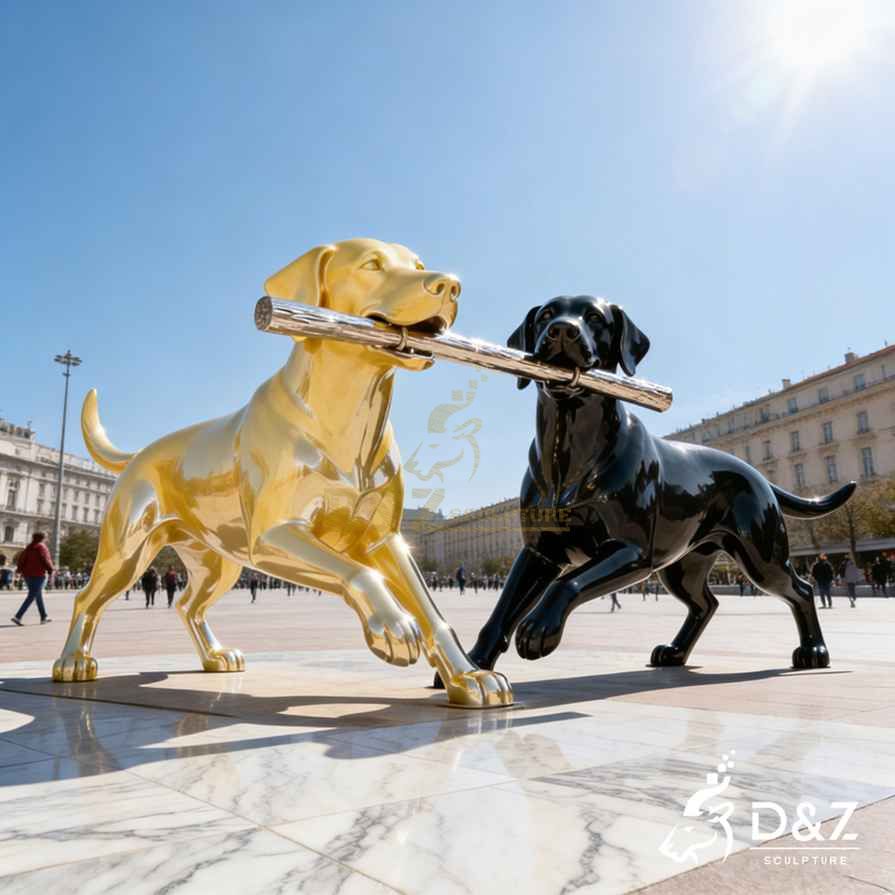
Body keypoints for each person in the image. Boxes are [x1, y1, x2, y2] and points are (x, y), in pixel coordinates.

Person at [10, 532, 53, 625]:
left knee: (38, 595)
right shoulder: (42, 547)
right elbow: (45, 559)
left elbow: (21, 559)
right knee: (32, 595)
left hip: (27, 575)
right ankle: (18, 616)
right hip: (39, 574)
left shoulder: (29, 547)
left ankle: (44, 617)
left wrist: (19, 570)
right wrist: (50, 569)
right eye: (46, 537)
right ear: (42, 538)